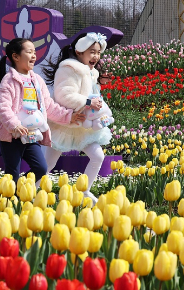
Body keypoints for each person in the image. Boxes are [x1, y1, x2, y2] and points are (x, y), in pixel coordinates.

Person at [0, 38, 84, 185]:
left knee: (41, 168)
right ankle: (10, 201)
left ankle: (18, 189)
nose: (34, 55)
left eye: (34, 52)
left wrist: (68, 116)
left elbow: (48, 106)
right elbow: (3, 107)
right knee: (12, 171)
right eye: (29, 52)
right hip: (12, 135)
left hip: (32, 134)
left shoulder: (37, 80)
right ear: (16, 56)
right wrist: (14, 125)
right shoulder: (9, 80)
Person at [43, 32, 113, 205]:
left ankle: (84, 191)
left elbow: (93, 96)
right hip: (66, 123)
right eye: (92, 51)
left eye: (98, 52)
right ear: (79, 51)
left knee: (98, 156)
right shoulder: (69, 69)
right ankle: (31, 190)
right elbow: (63, 96)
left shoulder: (91, 72)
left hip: (84, 126)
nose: (96, 56)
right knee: (48, 164)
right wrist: (89, 101)